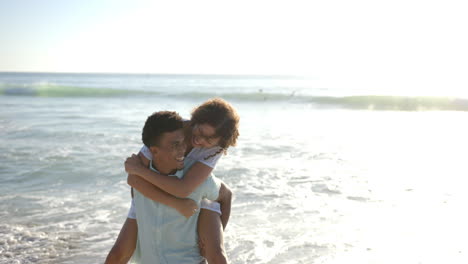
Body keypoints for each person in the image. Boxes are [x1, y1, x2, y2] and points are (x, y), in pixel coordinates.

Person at [105, 98, 239, 263]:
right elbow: (134, 179)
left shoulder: (215, 148)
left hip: (191, 191)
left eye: (208, 140)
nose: (200, 140)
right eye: (200, 131)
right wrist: (173, 203)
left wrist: (210, 242)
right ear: (195, 120)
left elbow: (184, 189)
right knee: (117, 254)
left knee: (214, 251)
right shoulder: (171, 130)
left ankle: (205, 247)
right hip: (151, 190)